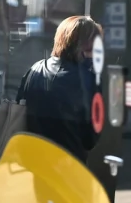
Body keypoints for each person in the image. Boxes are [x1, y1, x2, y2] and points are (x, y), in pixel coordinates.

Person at [18, 15, 104, 163]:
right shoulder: (88, 79)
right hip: (69, 167)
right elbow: (89, 139)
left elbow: (20, 113)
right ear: (85, 48)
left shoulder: (35, 69)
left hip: (34, 163)